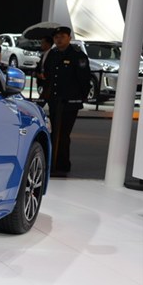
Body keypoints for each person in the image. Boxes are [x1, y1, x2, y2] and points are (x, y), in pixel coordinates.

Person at [42, 26, 91, 177]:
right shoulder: (52, 54)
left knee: (63, 134)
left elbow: (84, 79)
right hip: (55, 101)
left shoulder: (78, 55)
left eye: (62, 37)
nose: (59, 40)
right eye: (56, 37)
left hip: (70, 102)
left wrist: (80, 97)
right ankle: (52, 163)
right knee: (53, 132)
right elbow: (49, 76)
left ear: (69, 38)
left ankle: (62, 165)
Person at [35, 35, 54, 107]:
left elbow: (51, 67)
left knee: (41, 102)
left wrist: (44, 76)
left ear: (48, 44)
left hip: (49, 82)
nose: (41, 44)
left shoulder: (53, 54)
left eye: (42, 42)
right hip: (44, 82)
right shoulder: (44, 54)